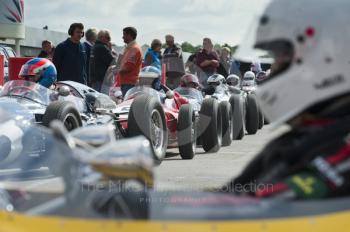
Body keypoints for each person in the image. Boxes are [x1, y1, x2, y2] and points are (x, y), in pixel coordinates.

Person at [225, 0, 350, 199]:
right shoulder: (310, 134)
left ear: (326, 58)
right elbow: (230, 199)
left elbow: (264, 205)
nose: (272, 69)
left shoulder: (341, 146)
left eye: (280, 57)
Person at [115, 27, 142, 97]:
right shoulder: (128, 48)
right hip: (126, 82)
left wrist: (116, 70)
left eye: (124, 35)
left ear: (129, 35)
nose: (122, 37)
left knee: (126, 104)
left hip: (130, 83)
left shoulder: (134, 49)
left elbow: (128, 67)